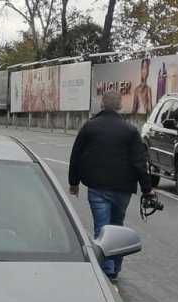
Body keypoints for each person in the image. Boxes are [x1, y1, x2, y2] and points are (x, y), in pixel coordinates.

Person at [68, 90, 156, 281]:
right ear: (119, 107)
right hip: (123, 190)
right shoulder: (131, 131)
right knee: (117, 226)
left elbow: (76, 156)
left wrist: (73, 183)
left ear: (101, 105)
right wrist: (148, 188)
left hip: (97, 187)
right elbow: (139, 164)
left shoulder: (90, 127)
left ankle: (108, 269)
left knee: (102, 228)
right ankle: (113, 267)